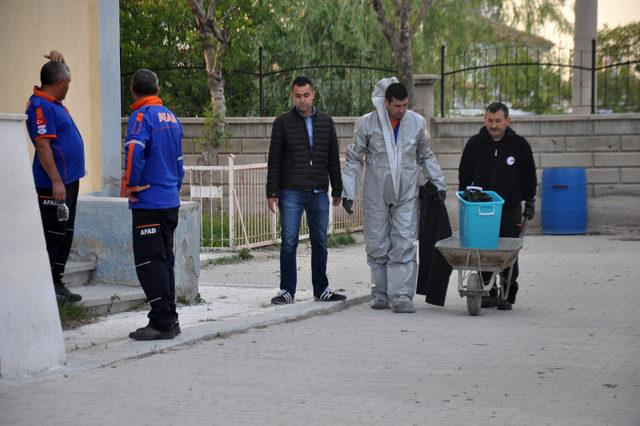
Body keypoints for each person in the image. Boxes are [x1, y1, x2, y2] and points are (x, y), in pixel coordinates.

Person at [342, 78, 447, 313]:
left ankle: (401, 295)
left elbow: (425, 155)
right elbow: (354, 158)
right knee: (376, 242)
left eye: (405, 105)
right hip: (376, 193)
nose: (402, 110)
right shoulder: (367, 124)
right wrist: (348, 190)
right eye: (398, 106)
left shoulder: (416, 123)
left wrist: (438, 183)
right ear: (386, 102)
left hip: (407, 192)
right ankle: (379, 292)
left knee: (404, 242)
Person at [266, 76, 346, 305]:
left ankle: (321, 289)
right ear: (293, 96)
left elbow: (333, 157)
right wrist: (272, 192)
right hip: (291, 191)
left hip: (319, 191)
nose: (302, 100)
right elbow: (275, 160)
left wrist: (337, 187)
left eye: (306, 95)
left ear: (314, 94)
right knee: (289, 241)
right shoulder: (282, 122)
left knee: (320, 241)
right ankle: (286, 290)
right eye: (298, 96)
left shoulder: (326, 122)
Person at [121, 69, 184, 340]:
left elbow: (134, 149)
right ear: (157, 89)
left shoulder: (141, 116)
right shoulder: (172, 118)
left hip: (149, 201)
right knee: (165, 261)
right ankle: (170, 318)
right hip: (170, 200)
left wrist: (130, 184)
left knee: (150, 263)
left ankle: (161, 323)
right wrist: (173, 188)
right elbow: (179, 163)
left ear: (133, 91)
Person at [458, 101, 537, 310]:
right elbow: (464, 174)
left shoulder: (519, 145)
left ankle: (507, 290)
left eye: (498, 121)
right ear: (485, 119)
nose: (493, 125)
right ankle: (488, 291)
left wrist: (530, 200)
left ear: (507, 121)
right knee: (483, 250)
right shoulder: (475, 144)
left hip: (509, 207)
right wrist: (466, 199)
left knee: (507, 249)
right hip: (481, 208)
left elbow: (529, 176)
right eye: (490, 121)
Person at [25, 50, 84, 303]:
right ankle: (47, 286)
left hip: (69, 181)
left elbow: (58, 74)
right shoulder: (40, 105)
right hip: (53, 184)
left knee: (65, 231)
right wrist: (56, 181)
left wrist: (60, 62)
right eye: (67, 83)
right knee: (54, 233)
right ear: (59, 83)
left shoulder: (52, 102)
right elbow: (42, 145)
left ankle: (57, 283)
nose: (68, 87)